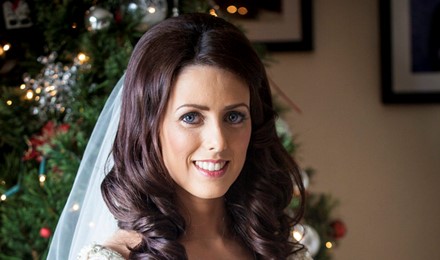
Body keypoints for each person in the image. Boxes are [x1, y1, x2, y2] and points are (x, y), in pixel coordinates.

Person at [48, 13, 310, 259]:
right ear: (149, 127)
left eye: (234, 117)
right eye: (191, 117)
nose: (218, 142)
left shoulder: (279, 250)